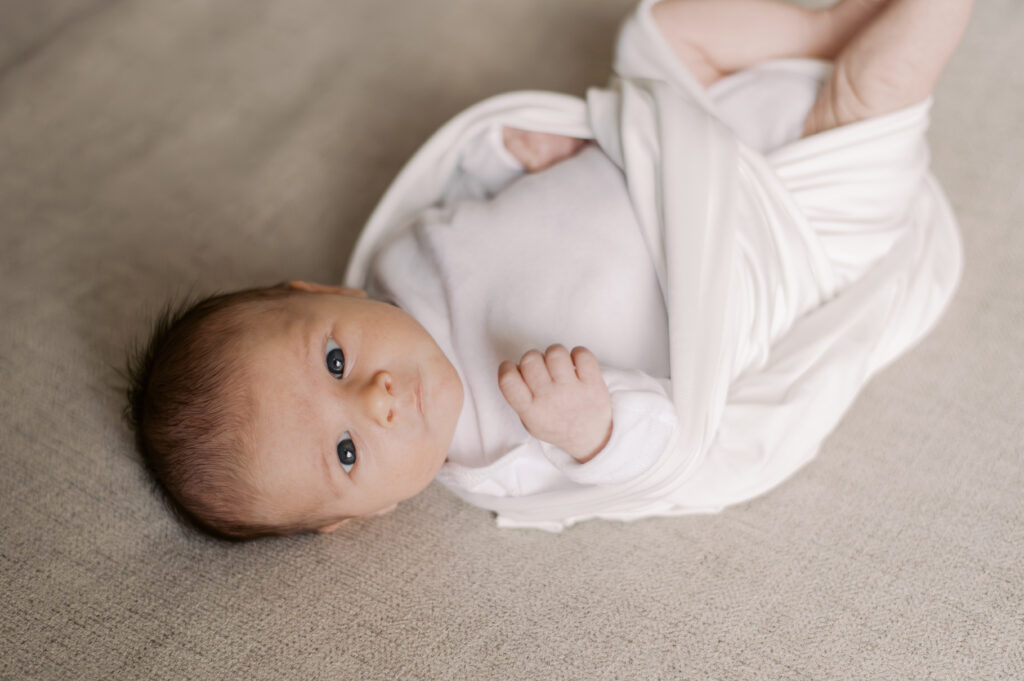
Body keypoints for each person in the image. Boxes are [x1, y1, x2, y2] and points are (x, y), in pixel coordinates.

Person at [126, 0, 973, 539]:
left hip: (672, 142)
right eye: (347, 452)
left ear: (322, 294)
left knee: (664, 29)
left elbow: (470, 179)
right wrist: (590, 427)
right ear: (363, 514)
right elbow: (653, 459)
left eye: (336, 360)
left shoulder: (399, 255)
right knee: (873, 94)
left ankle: (822, 28)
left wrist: (516, 149)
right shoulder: (495, 455)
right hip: (771, 232)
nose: (375, 398)